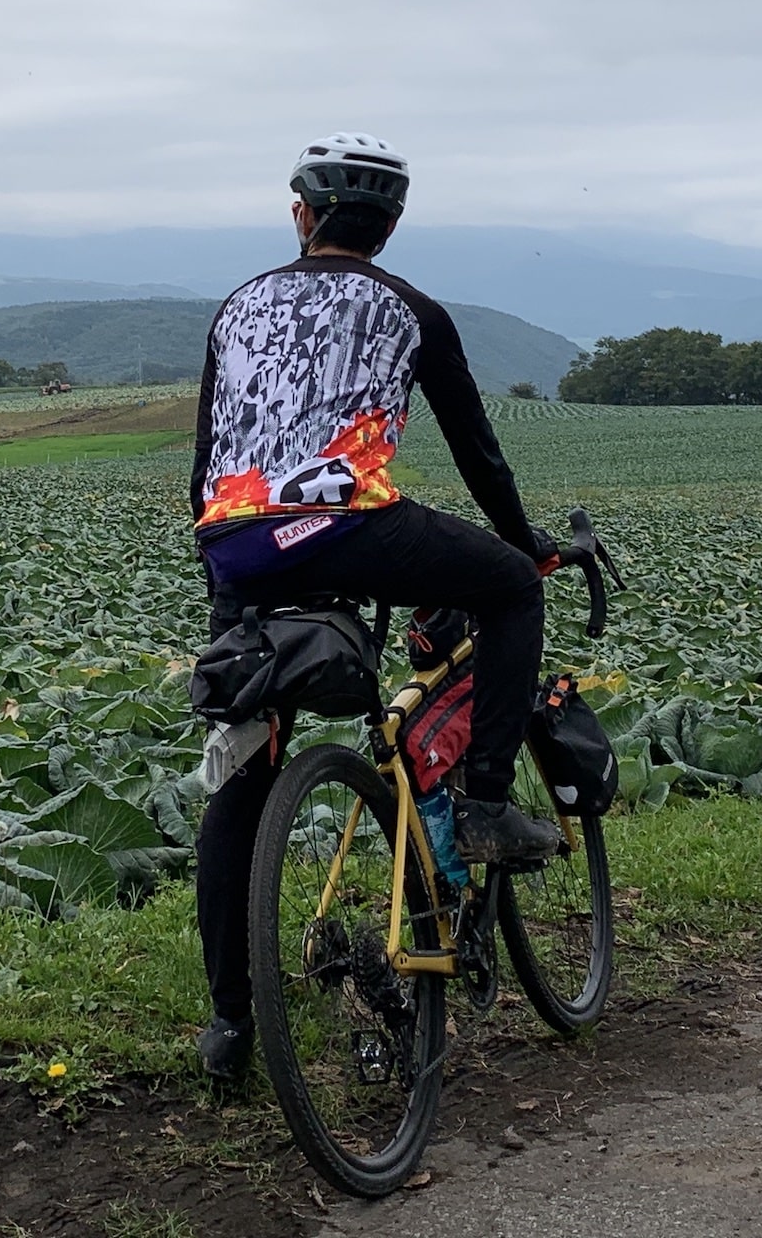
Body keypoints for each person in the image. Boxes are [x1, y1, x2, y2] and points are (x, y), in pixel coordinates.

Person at [189, 131, 560, 1082]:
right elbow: (479, 454)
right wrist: (525, 544)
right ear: (389, 228)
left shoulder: (237, 306)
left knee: (241, 778)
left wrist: (230, 609)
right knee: (509, 588)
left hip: (235, 543)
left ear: (302, 217)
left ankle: (230, 1029)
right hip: (347, 527)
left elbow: (207, 460)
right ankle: (481, 805)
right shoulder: (414, 310)